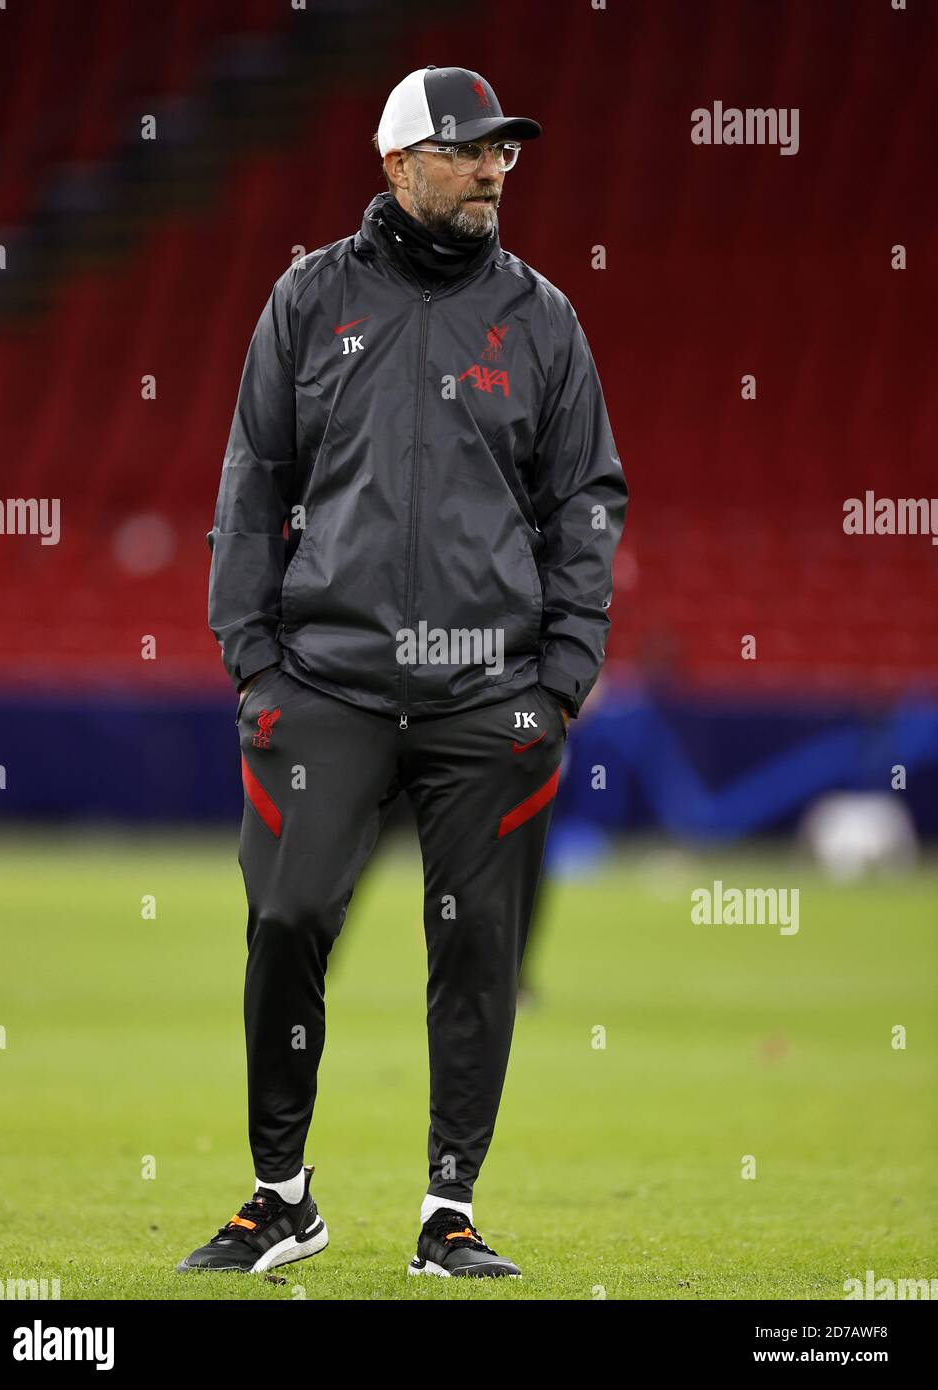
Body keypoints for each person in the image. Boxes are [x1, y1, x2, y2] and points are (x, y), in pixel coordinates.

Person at [177, 65, 628, 1280]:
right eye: (468, 149)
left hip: (494, 695)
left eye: (504, 154)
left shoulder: (543, 319)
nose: (492, 170)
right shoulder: (309, 298)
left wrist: (564, 675)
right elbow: (250, 481)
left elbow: (586, 500)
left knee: (478, 946)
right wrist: (255, 665)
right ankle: (283, 1196)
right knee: (284, 919)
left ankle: (449, 1211)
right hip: (326, 683)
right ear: (397, 163)